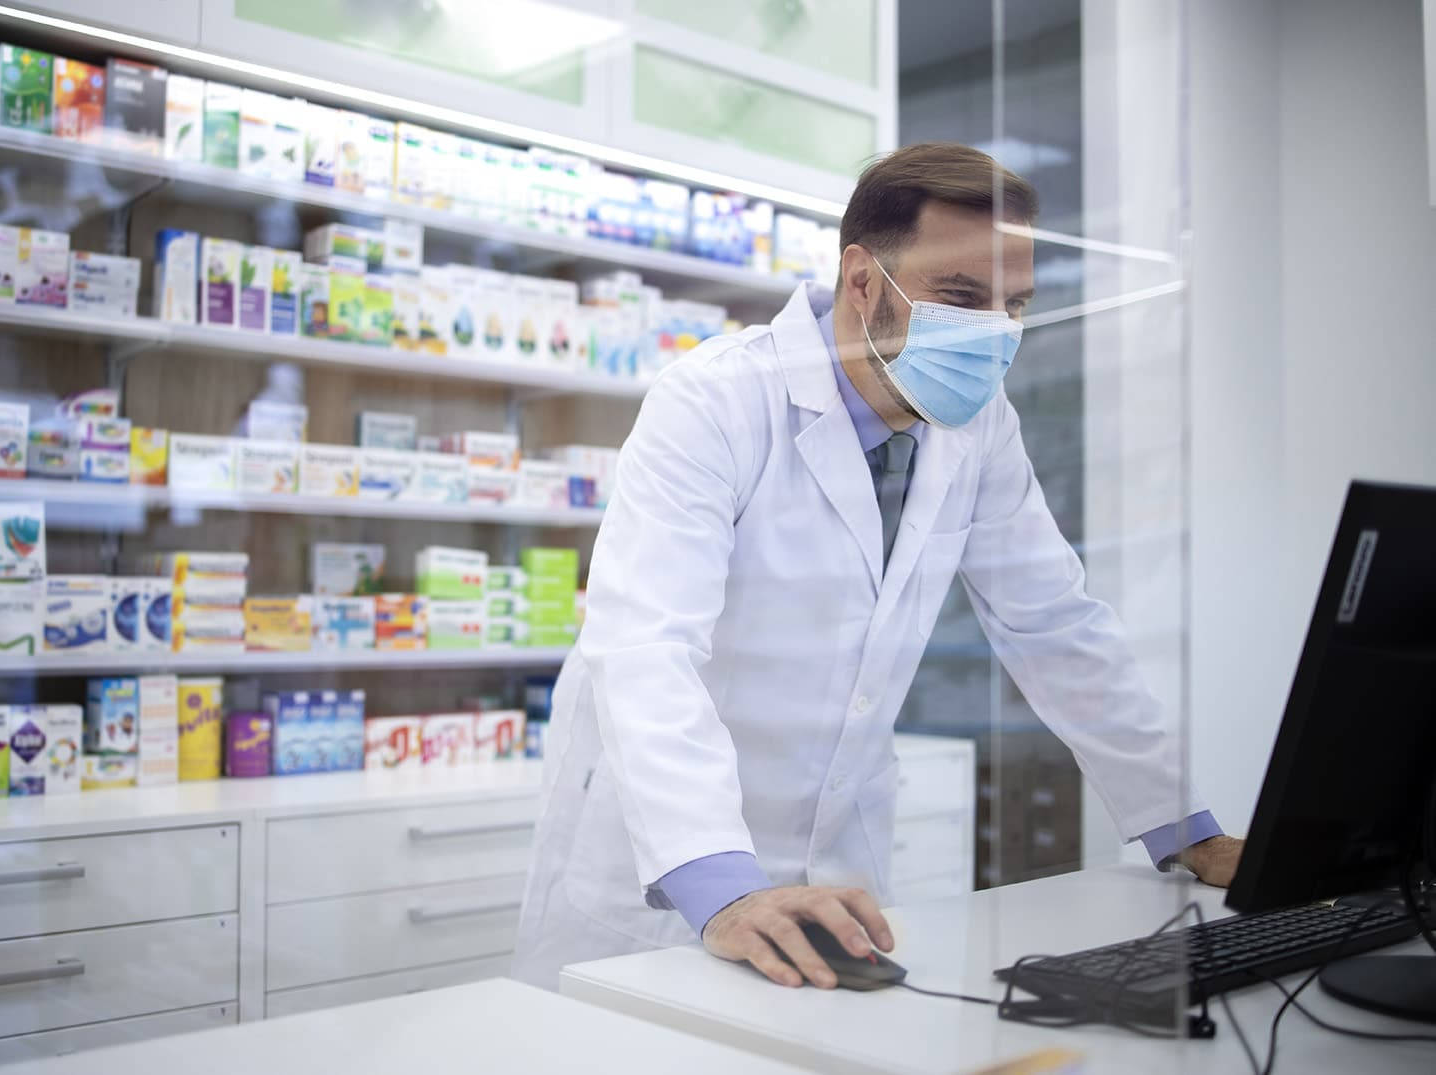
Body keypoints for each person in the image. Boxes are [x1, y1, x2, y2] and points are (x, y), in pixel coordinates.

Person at [512, 143, 1242, 992]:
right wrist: (720, 884)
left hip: (835, 877)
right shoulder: (714, 399)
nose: (994, 334)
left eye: (1014, 305)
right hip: (670, 873)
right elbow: (644, 646)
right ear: (861, 280)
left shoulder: (977, 427)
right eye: (961, 298)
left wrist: (1180, 823)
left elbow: (1053, 624)